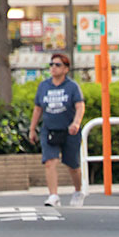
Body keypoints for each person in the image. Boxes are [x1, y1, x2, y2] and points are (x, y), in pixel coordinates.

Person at [28, 53, 86, 207]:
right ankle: (53, 195)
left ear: (66, 69)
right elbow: (38, 108)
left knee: (72, 164)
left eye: (58, 65)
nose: (53, 67)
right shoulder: (44, 86)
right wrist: (32, 129)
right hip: (49, 129)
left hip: (68, 130)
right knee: (50, 161)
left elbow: (80, 106)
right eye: (51, 64)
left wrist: (76, 123)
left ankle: (78, 190)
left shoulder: (72, 87)